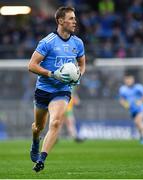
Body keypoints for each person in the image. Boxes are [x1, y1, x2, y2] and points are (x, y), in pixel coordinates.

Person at [28, 6, 86, 172]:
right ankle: (35, 141)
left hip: (62, 90)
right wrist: (52, 74)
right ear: (61, 21)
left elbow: (82, 64)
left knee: (56, 122)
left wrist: (78, 76)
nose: (74, 21)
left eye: (75, 18)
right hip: (44, 89)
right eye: (71, 18)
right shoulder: (47, 42)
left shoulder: (78, 43)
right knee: (38, 127)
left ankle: (41, 159)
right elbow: (31, 65)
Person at [119, 73, 143, 144]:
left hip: (140, 108)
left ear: (133, 79)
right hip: (132, 110)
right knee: (138, 124)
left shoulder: (138, 87)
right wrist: (125, 104)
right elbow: (121, 100)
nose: (128, 81)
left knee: (137, 121)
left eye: (129, 79)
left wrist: (140, 101)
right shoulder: (123, 89)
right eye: (126, 79)